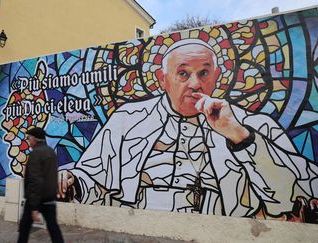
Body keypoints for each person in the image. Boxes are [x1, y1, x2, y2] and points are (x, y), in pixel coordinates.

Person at [57, 39, 318, 222]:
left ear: (216, 77)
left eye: (204, 73)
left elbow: (295, 193)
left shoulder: (253, 125)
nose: (195, 84)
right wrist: (72, 181)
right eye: (183, 74)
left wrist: (239, 136)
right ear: (163, 80)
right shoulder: (127, 119)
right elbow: (93, 176)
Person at [18, 127, 64, 243]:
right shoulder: (51, 152)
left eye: (28, 138)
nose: (28, 141)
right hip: (50, 198)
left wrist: (34, 207)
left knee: (24, 228)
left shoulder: (35, 154)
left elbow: (35, 181)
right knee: (53, 228)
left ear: (34, 139)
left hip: (36, 199)